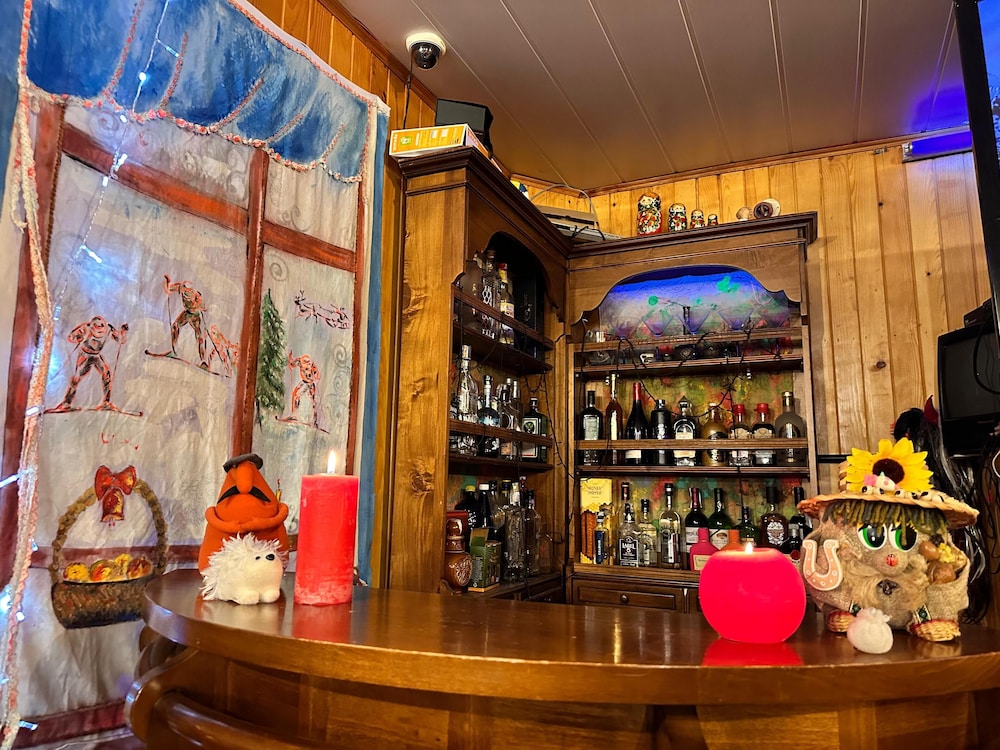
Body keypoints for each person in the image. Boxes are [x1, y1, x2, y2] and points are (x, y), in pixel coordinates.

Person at [50, 316, 127, 411]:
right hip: (85, 354)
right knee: (77, 377)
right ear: (92, 326)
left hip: (96, 355)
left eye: (101, 331)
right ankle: (66, 403)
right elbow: (71, 337)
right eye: (96, 330)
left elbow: (120, 340)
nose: (98, 333)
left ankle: (106, 402)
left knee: (106, 374)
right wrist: (78, 337)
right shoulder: (85, 327)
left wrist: (123, 333)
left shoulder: (109, 328)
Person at [164, 275, 208, 368]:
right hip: (187, 313)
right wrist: (167, 282)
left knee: (199, 336)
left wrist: (200, 306)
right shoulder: (181, 288)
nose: (185, 292)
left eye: (188, 290)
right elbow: (169, 289)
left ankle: (203, 360)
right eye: (184, 289)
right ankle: (174, 350)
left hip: (195, 316)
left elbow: (203, 307)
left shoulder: (196, 295)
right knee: (175, 326)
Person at [287, 351, 321, 428]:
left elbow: (317, 376)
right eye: (304, 365)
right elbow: (292, 364)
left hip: (310, 384)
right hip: (304, 382)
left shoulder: (312, 365)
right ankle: (294, 415)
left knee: (313, 401)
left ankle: (314, 421)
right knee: (295, 395)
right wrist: (290, 359)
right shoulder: (300, 361)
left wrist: (314, 375)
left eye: (307, 365)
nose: (305, 368)